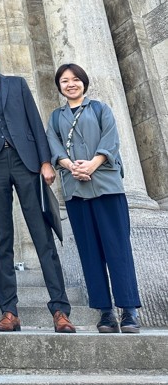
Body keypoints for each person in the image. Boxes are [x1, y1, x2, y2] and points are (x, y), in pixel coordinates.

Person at [0, 40, 75, 333]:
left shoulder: (18, 84)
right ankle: (9, 311)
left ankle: (60, 310)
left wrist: (46, 162)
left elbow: (35, 124)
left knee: (42, 235)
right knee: (1, 239)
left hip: (26, 163)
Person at [46, 63, 141, 333]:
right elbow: (52, 143)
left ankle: (129, 310)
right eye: (65, 81)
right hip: (76, 190)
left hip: (106, 186)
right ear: (60, 87)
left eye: (75, 79)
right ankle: (105, 312)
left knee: (117, 248)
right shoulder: (55, 116)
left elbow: (111, 140)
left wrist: (92, 164)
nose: (70, 84)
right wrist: (69, 165)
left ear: (84, 83)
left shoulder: (100, 109)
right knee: (90, 252)